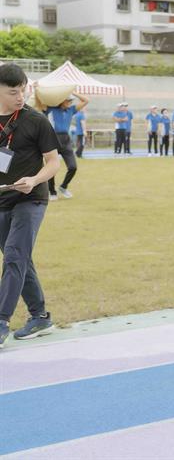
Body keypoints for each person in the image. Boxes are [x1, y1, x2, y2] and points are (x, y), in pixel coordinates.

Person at [0, 63, 61, 349]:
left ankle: (1, 321)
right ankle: (40, 316)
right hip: (2, 200)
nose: (20, 96)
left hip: (31, 198)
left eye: (23, 90)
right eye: (13, 92)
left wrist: (34, 179)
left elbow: (53, 162)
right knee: (21, 259)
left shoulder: (36, 121)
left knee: (14, 255)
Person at [41, 90, 88, 200]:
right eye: (68, 100)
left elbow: (86, 100)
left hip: (66, 140)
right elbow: (40, 101)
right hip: (53, 139)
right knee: (51, 168)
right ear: (61, 101)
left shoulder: (71, 110)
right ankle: (52, 192)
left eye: (71, 100)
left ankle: (63, 187)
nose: (70, 102)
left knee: (73, 167)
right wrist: (37, 88)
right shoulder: (50, 109)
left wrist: (72, 91)